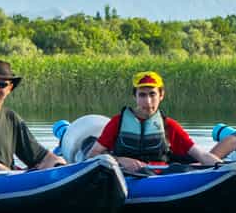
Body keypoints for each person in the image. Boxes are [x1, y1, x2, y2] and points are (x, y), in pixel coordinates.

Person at [83, 70, 221, 174]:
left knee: (184, 165)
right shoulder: (117, 122)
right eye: (142, 95)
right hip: (124, 175)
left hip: (159, 177)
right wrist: (120, 160)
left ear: (161, 95)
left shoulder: (169, 126)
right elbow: (93, 154)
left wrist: (225, 167)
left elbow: (200, 154)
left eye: (152, 94)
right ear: (135, 97)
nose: (147, 101)